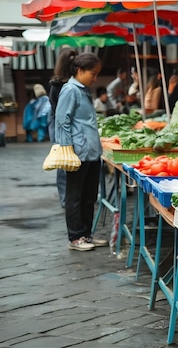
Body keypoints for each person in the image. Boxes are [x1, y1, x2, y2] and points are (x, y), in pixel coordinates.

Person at [55, 52, 108, 251]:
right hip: (77, 153)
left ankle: (86, 234)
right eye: (92, 74)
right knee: (75, 196)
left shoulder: (83, 90)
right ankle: (76, 237)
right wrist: (67, 149)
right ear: (79, 70)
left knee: (89, 196)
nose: (95, 79)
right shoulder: (70, 90)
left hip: (92, 152)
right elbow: (62, 121)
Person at [48, 48, 74, 209]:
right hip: (60, 125)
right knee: (63, 160)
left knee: (70, 162)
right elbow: (59, 112)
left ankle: (69, 196)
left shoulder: (74, 83)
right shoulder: (57, 85)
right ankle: (65, 198)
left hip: (67, 124)